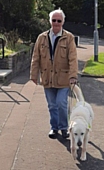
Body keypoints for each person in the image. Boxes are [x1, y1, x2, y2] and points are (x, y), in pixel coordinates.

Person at [30, 9, 78, 139]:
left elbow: (73, 58)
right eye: (54, 20)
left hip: (63, 78)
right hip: (47, 77)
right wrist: (33, 75)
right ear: (50, 21)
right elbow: (36, 57)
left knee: (61, 103)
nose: (56, 23)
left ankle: (64, 127)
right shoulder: (42, 37)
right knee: (52, 105)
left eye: (59, 21)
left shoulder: (69, 38)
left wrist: (73, 76)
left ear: (63, 22)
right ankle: (54, 128)